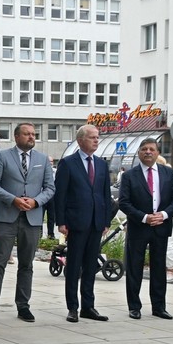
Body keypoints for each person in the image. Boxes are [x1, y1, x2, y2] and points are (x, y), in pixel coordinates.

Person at [0, 123, 55, 323]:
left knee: (26, 264)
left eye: (33, 134)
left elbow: (50, 187)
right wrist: (12, 199)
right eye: (27, 134)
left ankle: (23, 306)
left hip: (32, 217)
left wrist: (36, 201)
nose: (31, 137)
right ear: (16, 136)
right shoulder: (3, 156)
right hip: (7, 216)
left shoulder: (42, 159)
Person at [117, 138, 173, 320]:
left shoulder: (168, 174)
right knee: (134, 268)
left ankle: (159, 306)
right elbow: (124, 202)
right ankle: (134, 306)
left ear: (157, 153)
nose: (148, 152)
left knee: (159, 268)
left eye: (152, 149)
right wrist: (144, 217)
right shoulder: (130, 176)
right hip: (139, 227)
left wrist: (164, 215)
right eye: (144, 149)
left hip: (161, 227)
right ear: (138, 153)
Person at [52, 124, 112, 323]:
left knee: (90, 265)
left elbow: (105, 195)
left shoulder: (102, 164)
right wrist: (61, 222)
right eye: (92, 137)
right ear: (80, 140)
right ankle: (73, 307)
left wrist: (105, 221)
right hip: (76, 223)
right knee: (74, 265)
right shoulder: (68, 164)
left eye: (97, 137)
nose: (96, 140)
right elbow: (60, 195)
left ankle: (89, 306)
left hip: (96, 223)